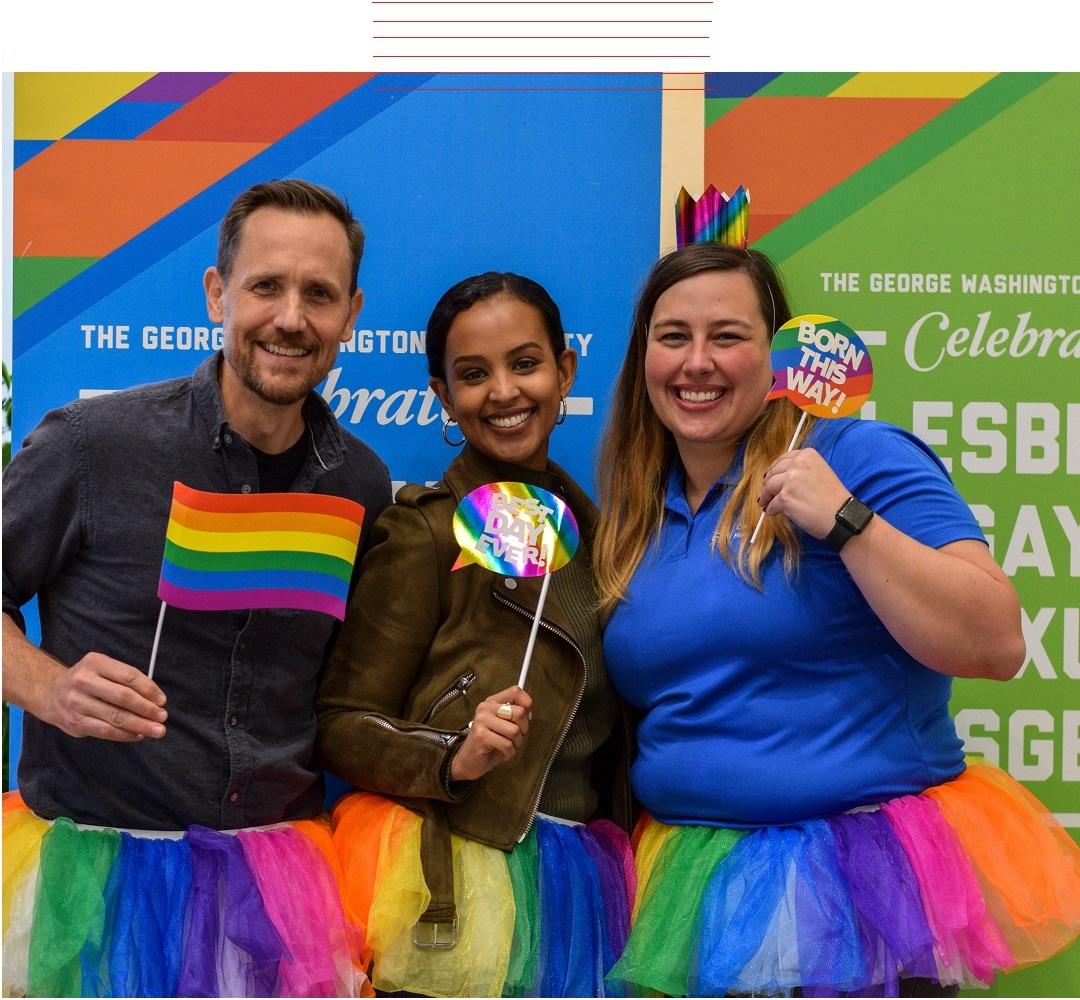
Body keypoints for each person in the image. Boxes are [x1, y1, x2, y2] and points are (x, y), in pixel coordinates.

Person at [593, 242, 1080, 997]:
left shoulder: (858, 455)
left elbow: (997, 643)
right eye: (673, 337)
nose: (697, 362)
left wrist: (846, 519)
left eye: (728, 336)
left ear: (778, 355)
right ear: (643, 358)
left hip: (859, 887)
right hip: (694, 881)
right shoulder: (633, 513)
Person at [2, 179, 392, 997]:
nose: (291, 318)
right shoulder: (92, 444)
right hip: (100, 881)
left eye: (319, 294)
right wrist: (49, 688)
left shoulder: (359, 482)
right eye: (266, 286)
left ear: (351, 314)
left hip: (278, 893)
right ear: (217, 294)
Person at [316, 272, 635, 998]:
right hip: (458, 880)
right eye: (473, 374)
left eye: (525, 363)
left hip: (585, 883)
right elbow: (339, 723)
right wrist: (451, 755)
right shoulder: (426, 531)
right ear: (443, 395)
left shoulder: (606, 539)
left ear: (565, 372)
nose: (503, 392)